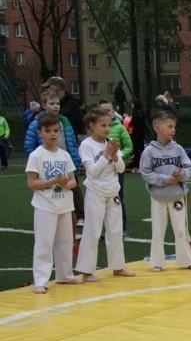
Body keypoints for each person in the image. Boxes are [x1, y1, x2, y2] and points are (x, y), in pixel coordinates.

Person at [75, 108, 136, 282]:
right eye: (103, 125)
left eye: (109, 125)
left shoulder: (110, 142)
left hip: (112, 190)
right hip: (95, 191)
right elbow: (92, 172)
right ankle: (87, 272)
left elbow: (121, 168)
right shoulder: (86, 145)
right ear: (91, 126)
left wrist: (116, 157)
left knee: (115, 230)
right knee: (93, 231)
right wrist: (106, 155)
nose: (107, 128)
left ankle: (118, 267)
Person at [25, 113, 83, 293]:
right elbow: (32, 184)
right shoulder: (37, 155)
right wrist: (53, 182)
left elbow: (73, 181)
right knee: (44, 243)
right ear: (39, 132)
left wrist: (66, 183)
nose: (52, 134)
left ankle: (65, 275)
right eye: (48, 131)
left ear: (60, 133)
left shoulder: (64, 155)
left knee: (65, 242)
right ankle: (41, 280)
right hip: (45, 205)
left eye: (56, 131)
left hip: (64, 205)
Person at [140, 111, 191, 272]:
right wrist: (166, 179)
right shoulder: (149, 152)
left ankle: (186, 260)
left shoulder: (178, 149)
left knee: (180, 229)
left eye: (174, 127)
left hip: (177, 195)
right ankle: (157, 262)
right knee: (158, 230)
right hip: (158, 196)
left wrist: (180, 176)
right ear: (158, 128)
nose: (173, 130)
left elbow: (188, 167)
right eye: (169, 126)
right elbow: (146, 173)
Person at [25, 90, 84, 227]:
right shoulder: (36, 123)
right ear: (44, 105)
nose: (56, 106)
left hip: (64, 163)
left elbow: (71, 140)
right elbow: (29, 144)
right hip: (46, 170)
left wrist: (74, 158)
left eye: (57, 103)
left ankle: (80, 216)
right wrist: (40, 159)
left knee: (74, 190)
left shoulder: (64, 121)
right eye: (52, 103)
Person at [100, 100, 134, 235]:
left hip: (116, 169)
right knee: (102, 199)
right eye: (102, 111)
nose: (106, 113)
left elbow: (129, 147)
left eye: (108, 110)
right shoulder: (97, 130)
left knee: (117, 197)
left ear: (113, 112)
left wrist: (119, 156)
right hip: (102, 169)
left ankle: (122, 227)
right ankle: (107, 228)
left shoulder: (120, 128)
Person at [128, 99, 147, 171]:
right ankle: (142, 162)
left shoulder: (136, 113)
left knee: (136, 148)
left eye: (133, 104)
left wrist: (129, 119)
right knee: (141, 147)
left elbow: (132, 123)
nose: (132, 106)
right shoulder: (142, 112)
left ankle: (136, 163)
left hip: (136, 132)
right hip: (142, 132)